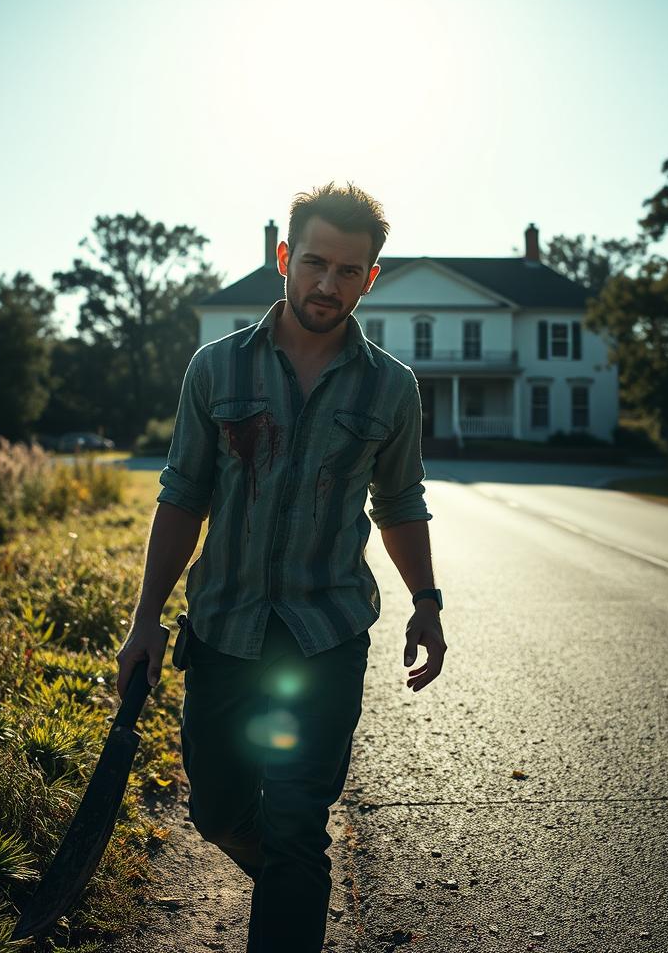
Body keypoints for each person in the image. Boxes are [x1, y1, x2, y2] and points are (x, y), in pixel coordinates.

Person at [115, 181, 447, 953]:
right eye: (313, 263)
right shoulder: (217, 369)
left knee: (300, 830)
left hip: (324, 637)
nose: (327, 284)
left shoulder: (390, 387)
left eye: (347, 271)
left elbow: (400, 501)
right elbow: (182, 497)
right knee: (218, 813)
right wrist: (144, 622)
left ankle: (294, 891)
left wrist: (426, 600)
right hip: (225, 630)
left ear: (371, 279)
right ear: (283, 259)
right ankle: (291, 889)